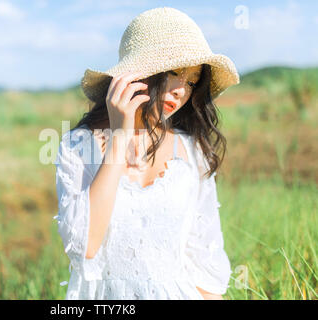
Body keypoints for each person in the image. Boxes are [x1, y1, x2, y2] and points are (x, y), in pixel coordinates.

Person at [54, 7, 240, 300]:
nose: (182, 90)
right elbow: (85, 245)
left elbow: (205, 264)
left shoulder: (193, 151)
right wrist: (119, 138)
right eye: (174, 72)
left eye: (192, 81)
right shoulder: (78, 146)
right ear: (138, 73)